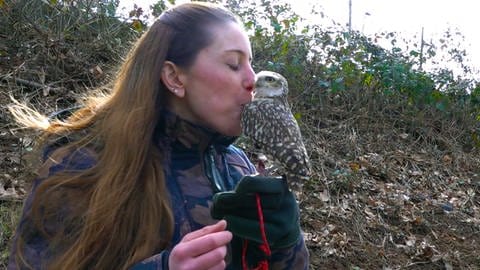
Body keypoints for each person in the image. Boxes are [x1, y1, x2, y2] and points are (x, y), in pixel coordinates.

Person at [7, 2, 309, 269]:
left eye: (251, 64)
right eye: (233, 64)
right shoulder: (81, 163)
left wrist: (286, 243)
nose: (251, 80)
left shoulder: (239, 168)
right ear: (175, 77)